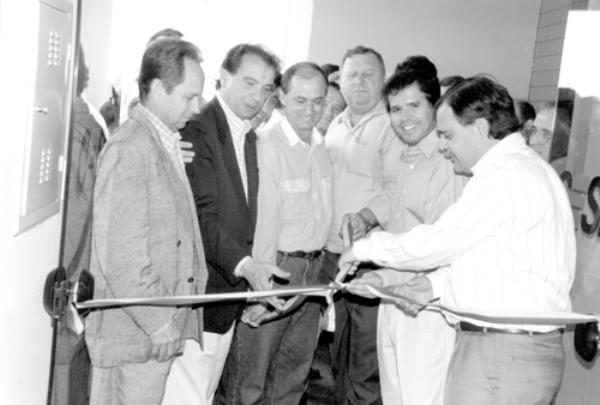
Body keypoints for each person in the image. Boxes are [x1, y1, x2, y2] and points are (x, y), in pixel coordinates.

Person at [341, 76, 575, 405]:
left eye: (448, 135)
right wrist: (431, 287)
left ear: (479, 128)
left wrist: (363, 248)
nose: (442, 145)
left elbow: (439, 242)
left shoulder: (503, 176)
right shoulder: (527, 170)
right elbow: (491, 260)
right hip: (504, 348)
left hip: (503, 353)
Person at [85, 38, 208, 405]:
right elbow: (121, 254)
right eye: (189, 97)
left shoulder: (160, 140)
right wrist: (158, 321)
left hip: (149, 336)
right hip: (138, 335)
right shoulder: (131, 149)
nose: (198, 107)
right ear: (156, 88)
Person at [342, 55, 464, 405]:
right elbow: (394, 196)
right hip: (393, 292)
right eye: (395, 109)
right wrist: (364, 216)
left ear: (435, 104)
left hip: (426, 302)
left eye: (414, 106)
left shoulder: (448, 161)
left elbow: (438, 244)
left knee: (421, 397)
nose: (404, 118)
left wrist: (378, 265)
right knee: (393, 392)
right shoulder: (404, 150)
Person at [181, 43, 288, 404]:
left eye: (266, 88)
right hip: (202, 294)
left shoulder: (247, 135)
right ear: (224, 76)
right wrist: (246, 265)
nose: (257, 96)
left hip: (228, 294)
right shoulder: (197, 128)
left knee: (205, 393)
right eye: (249, 82)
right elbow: (201, 216)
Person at [224, 61, 332, 404]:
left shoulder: (322, 146)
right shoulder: (267, 145)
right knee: (250, 382)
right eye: (300, 100)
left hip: (313, 275)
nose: (310, 110)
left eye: (318, 101)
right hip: (278, 272)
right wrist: (260, 292)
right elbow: (266, 222)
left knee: (293, 378)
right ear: (282, 97)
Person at [324, 45, 403, 405]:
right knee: (337, 353)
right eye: (353, 74)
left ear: (384, 81)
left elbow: (394, 191)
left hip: (370, 260)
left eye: (369, 74)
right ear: (340, 81)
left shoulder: (391, 127)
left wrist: (364, 218)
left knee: (366, 361)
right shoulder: (333, 127)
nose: (360, 82)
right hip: (332, 257)